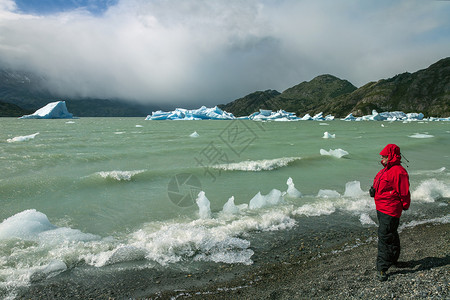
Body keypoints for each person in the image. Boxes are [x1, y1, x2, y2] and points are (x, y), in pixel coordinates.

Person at [371, 144, 410, 281]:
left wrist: (405, 205)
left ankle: (382, 268)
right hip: (382, 208)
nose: (382, 159)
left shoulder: (398, 171)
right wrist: (373, 190)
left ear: (391, 156)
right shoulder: (386, 170)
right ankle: (393, 259)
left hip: (390, 210)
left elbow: (404, 192)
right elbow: (380, 182)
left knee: (385, 237)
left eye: (384, 156)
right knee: (391, 234)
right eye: (382, 156)